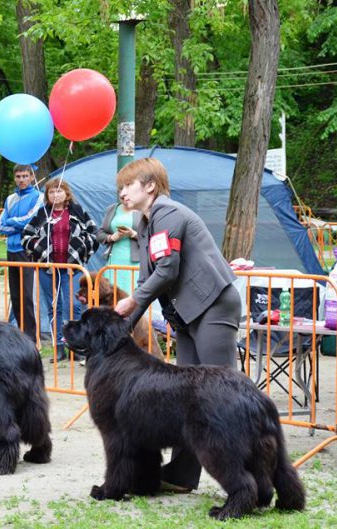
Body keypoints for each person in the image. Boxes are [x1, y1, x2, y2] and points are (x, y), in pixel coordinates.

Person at [113, 157, 241, 493]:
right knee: (189, 397)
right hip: (186, 315)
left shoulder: (166, 214)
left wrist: (130, 304)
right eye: (120, 187)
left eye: (128, 185)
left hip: (212, 306)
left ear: (150, 186)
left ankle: (246, 472)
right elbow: (147, 280)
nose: (122, 192)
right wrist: (122, 326)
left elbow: (166, 270)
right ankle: (183, 475)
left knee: (221, 393)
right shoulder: (145, 224)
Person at [22, 178, 98, 361]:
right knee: (53, 307)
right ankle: (59, 347)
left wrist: (79, 251)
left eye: (59, 191)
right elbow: (26, 236)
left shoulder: (77, 211)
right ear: (47, 196)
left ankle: (77, 346)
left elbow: (93, 234)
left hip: (72, 268)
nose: (56, 195)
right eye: (51, 192)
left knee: (74, 306)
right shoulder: (42, 214)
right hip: (48, 269)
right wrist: (41, 251)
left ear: (67, 194)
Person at [0, 164, 44, 338]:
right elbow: (1, 226)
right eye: (18, 176)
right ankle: (20, 335)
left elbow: (30, 221)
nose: (22, 180)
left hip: (27, 250)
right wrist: (15, 225)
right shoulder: (10, 199)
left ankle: (32, 337)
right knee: (16, 297)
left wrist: (13, 223)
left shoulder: (38, 196)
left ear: (32, 177)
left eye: (25, 176)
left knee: (27, 296)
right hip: (11, 250)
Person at [96, 200, 142, 294]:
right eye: (121, 189)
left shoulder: (143, 208)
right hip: (113, 260)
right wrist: (111, 237)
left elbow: (151, 236)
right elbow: (100, 234)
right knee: (112, 295)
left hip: (137, 262)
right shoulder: (112, 209)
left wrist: (133, 234)